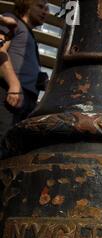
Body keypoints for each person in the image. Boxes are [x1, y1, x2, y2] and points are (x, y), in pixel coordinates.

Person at [0, 0, 49, 158]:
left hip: (25, 101)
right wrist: (14, 85)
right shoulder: (11, 21)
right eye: (40, 7)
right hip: (8, 94)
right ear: (26, 6)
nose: (45, 12)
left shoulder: (30, 36)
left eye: (47, 9)